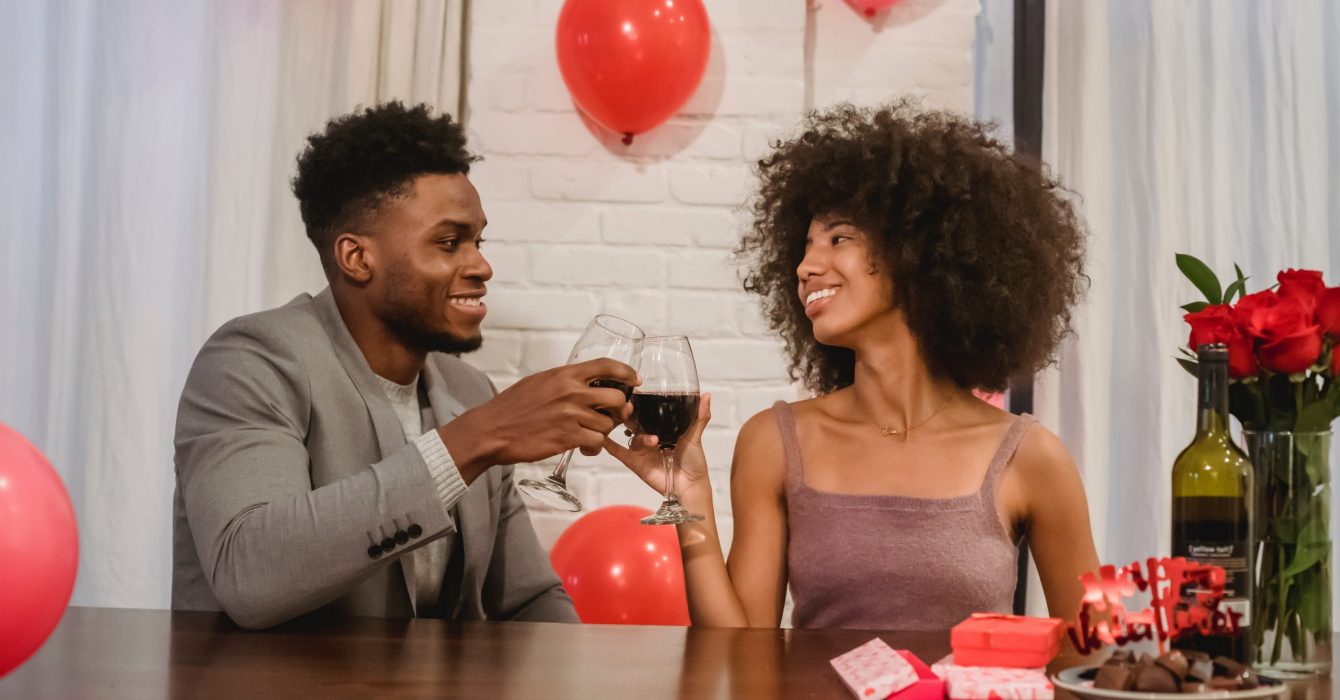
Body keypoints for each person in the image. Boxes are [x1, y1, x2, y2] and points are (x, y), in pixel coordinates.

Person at [608, 101, 1100, 630]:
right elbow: (740, 655)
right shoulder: (774, 441)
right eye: (804, 246)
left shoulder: (1030, 457)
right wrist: (690, 500)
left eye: (839, 239)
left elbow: (1096, 652)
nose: (805, 267)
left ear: (918, 253)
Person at [172, 102, 637, 629]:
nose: (481, 265)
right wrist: (479, 437)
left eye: (478, 241)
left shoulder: (468, 390)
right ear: (356, 258)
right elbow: (250, 572)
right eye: (448, 242)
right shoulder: (251, 361)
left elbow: (528, 601)